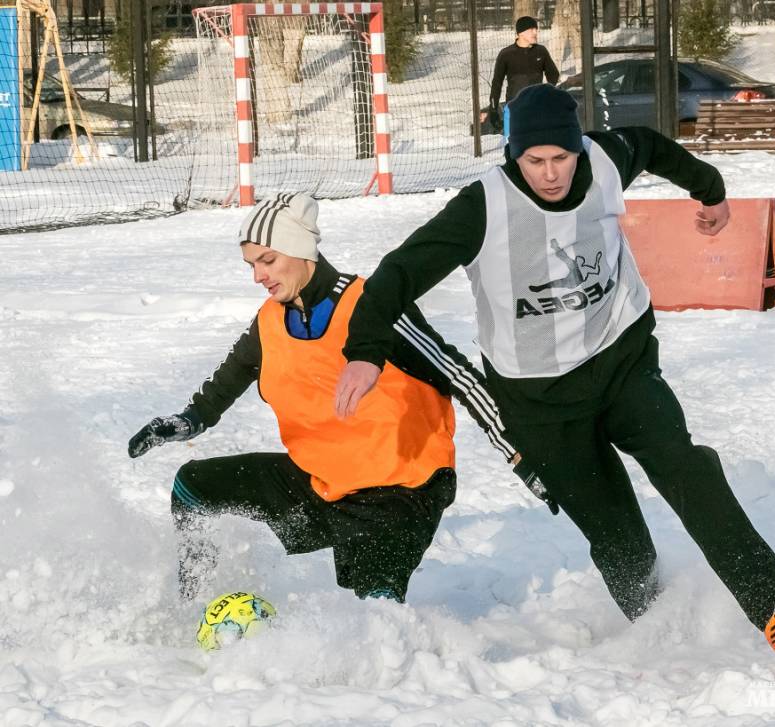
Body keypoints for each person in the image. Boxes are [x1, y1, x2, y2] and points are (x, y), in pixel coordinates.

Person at [335, 84, 775, 661]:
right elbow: (398, 272)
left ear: (577, 148)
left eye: (561, 158)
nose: (550, 173)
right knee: (617, 535)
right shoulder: (482, 206)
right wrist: (365, 349)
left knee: (684, 465)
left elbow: (649, 145)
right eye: (534, 161)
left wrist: (710, 189)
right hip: (539, 401)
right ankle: (657, 623)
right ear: (513, 156)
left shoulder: (602, 160)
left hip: (621, 359)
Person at [127, 192, 552, 604]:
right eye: (252, 264)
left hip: (402, 491)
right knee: (192, 486)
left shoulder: (373, 303)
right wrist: (184, 422)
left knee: (375, 619)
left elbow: (459, 376)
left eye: (268, 260)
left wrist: (521, 454)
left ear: (300, 251)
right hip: (322, 483)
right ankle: (194, 601)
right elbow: (221, 387)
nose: (258, 275)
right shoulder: (269, 322)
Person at [489, 16, 559, 138]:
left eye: (536, 29)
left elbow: (553, 76)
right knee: (512, 149)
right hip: (513, 109)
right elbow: (496, 84)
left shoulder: (541, 51)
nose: (535, 32)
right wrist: (493, 110)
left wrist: (547, 95)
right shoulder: (506, 54)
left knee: (537, 147)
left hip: (537, 109)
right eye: (531, 29)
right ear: (520, 33)